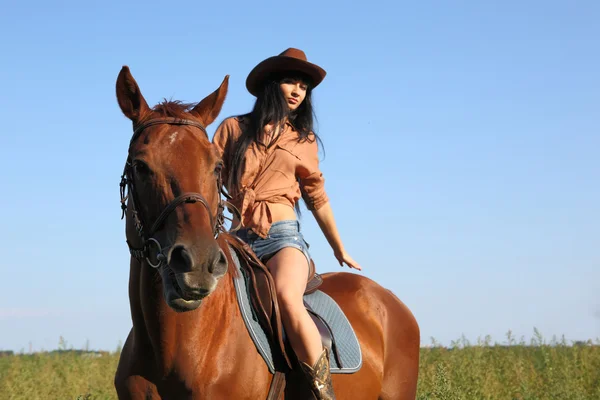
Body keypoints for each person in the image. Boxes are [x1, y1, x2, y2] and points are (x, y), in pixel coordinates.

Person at [213, 48, 361, 400]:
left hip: (282, 239)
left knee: (287, 298)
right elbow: (206, 169)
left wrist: (339, 248)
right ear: (271, 84)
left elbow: (317, 199)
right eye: (290, 82)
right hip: (238, 240)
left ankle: (323, 394)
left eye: (304, 86)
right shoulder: (234, 128)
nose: (297, 90)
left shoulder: (303, 141)